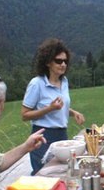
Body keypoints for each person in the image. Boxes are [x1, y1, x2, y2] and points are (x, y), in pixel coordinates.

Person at [21, 38, 85, 174]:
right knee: (44, 176)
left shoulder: (64, 81)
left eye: (65, 61)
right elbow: (25, 115)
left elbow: (60, 106)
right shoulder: (37, 84)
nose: (63, 64)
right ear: (48, 62)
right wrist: (49, 108)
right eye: (58, 61)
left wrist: (73, 113)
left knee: (64, 174)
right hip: (43, 137)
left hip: (62, 135)